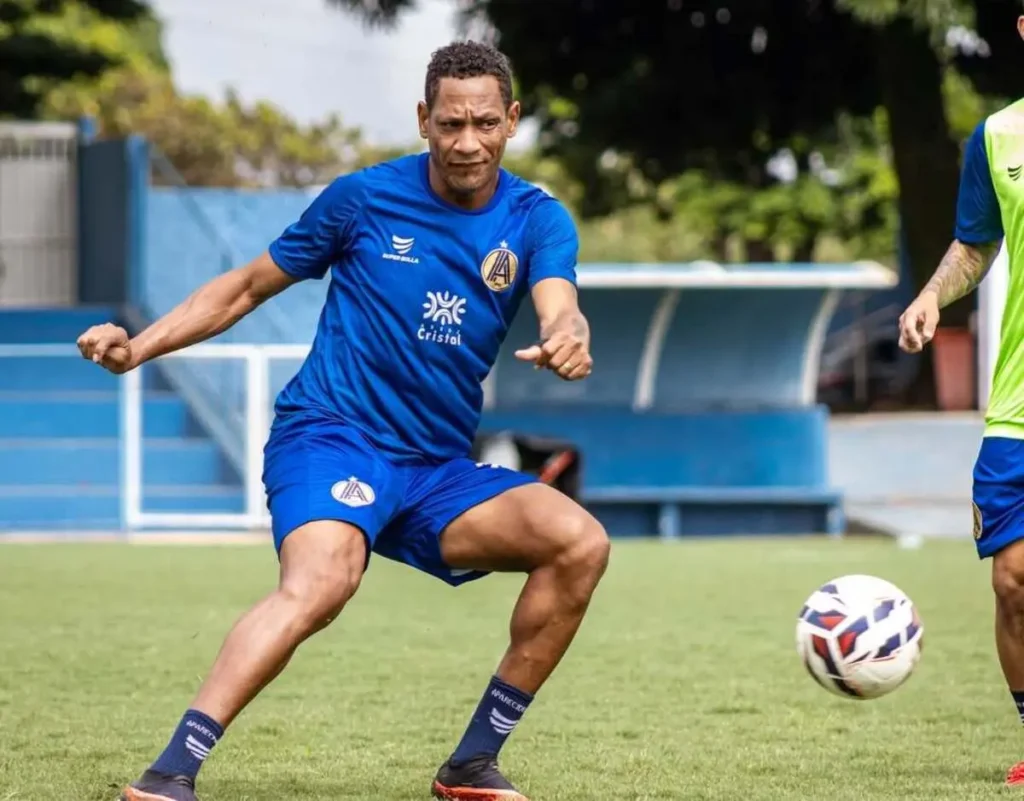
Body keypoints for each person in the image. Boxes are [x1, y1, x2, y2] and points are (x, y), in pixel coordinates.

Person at [77, 41, 610, 801]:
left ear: (512, 121)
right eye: (450, 123)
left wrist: (569, 333)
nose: (467, 142)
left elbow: (560, 299)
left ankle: (469, 765)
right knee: (325, 580)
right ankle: (170, 772)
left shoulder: (536, 218)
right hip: (332, 436)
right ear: (424, 119)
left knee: (579, 542)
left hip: (435, 471)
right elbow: (245, 286)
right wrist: (139, 347)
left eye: (485, 123)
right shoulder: (362, 199)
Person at [898, 14, 1024, 788]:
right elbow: (975, 242)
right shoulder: (999, 138)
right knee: (1013, 584)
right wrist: (932, 294)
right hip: (1017, 401)